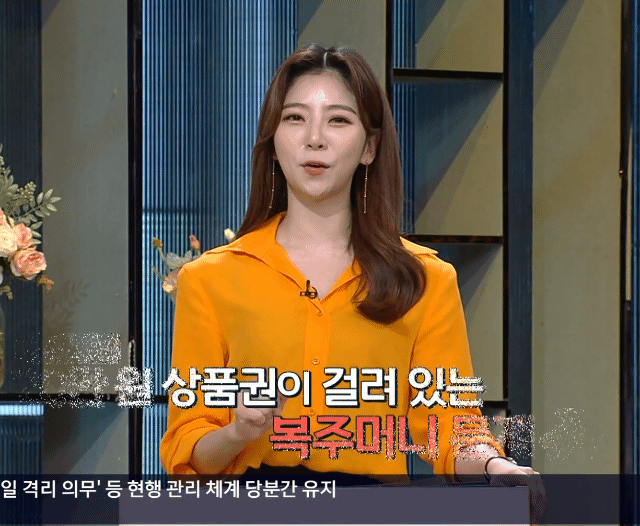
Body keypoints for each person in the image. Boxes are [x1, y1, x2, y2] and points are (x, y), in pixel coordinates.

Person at [159, 44, 540, 490]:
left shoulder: (425, 280)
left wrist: (497, 467)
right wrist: (238, 432)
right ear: (273, 143)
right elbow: (188, 448)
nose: (314, 138)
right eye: (295, 118)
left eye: (338, 120)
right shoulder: (211, 279)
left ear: (369, 147)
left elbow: (453, 428)